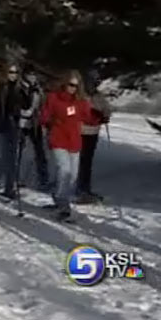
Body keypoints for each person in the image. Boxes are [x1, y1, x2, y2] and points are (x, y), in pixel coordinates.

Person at [40, 70, 92, 221]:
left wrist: (98, 115)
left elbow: (88, 117)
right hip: (58, 139)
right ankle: (63, 205)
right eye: (70, 85)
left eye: (76, 86)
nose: (73, 88)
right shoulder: (54, 97)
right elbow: (45, 116)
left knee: (72, 175)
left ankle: (59, 197)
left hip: (74, 142)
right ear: (64, 83)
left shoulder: (81, 101)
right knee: (64, 170)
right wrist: (49, 122)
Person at [76, 69, 112, 204]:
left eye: (96, 81)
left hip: (93, 133)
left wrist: (103, 116)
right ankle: (78, 189)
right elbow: (70, 111)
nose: (94, 84)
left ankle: (85, 188)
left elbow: (107, 110)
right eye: (92, 81)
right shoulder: (80, 96)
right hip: (80, 132)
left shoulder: (98, 96)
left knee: (87, 162)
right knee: (78, 161)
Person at [0, 63, 23, 199]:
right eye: (11, 72)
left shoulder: (20, 88)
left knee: (11, 158)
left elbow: (25, 104)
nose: (13, 75)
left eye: (16, 72)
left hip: (13, 125)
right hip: (0, 125)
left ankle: (9, 187)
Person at [18, 66, 49, 189]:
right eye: (29, 74)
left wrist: (41, 115)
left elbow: (43, 104)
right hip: (21, 122)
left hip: (35, 123)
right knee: (20, 151)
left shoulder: (38, 89)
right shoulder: (20, 88)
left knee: (39, 151)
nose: (32, 77)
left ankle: (43, 177)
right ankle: (18, 178)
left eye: (34, 75)